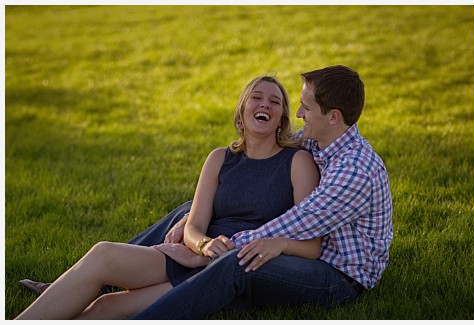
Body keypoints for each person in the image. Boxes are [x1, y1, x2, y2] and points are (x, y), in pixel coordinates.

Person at [16, 75, 323, 319]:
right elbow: (194, 224)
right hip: (194, 255)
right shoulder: (219, 158)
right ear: (242, 110)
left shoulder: (296, 162)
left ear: (282, 116)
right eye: (257, 98)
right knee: (104, 254)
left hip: (228, 269)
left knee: (106, 308)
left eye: (275, 101)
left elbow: (310, 241)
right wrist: (203, 243)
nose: (265, 105)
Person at [129, 65, 393, 319]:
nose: (299, 113)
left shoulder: (356, 169)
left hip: (336, 275)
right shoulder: (321, 139)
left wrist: (208, 249)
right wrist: (195, 224)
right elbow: (280, 144)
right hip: (311, 251)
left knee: (238, 261)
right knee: (191, 208)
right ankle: (125, 265)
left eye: (307, 107)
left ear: (333, 117)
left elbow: (300, 221)